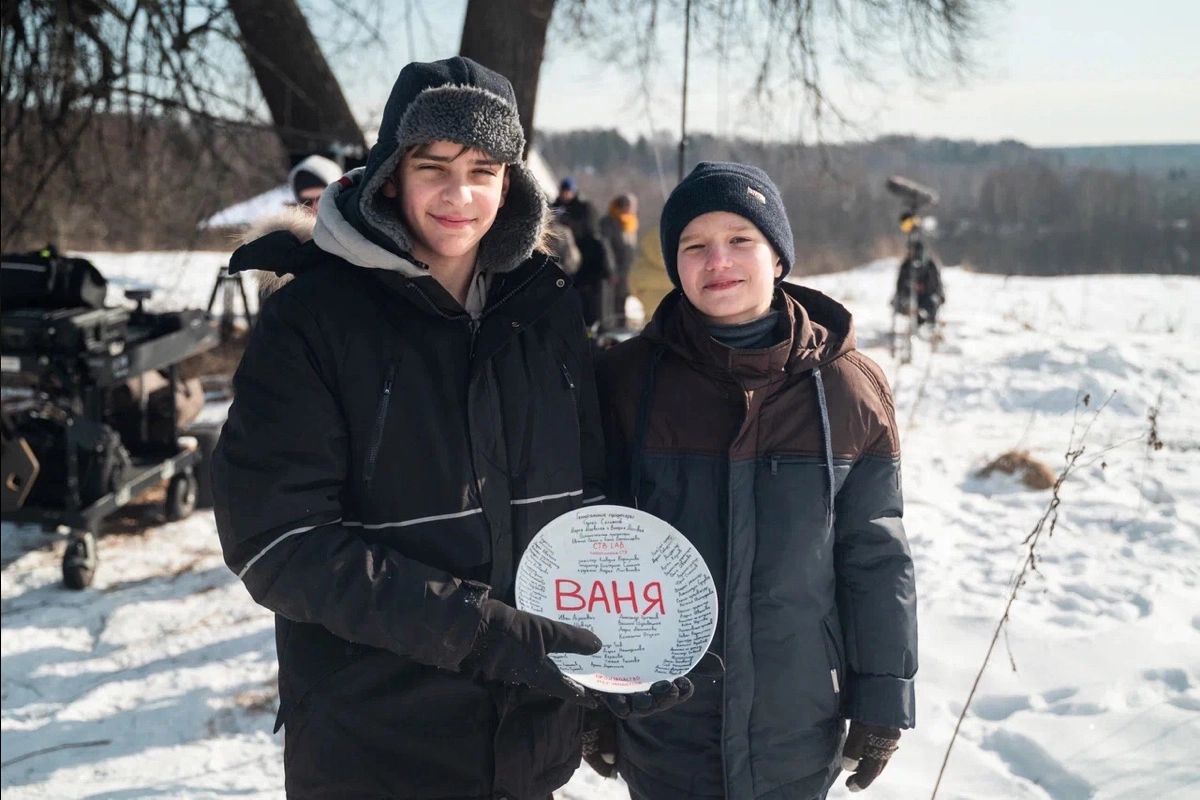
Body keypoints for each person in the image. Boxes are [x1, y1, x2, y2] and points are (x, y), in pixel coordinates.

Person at [212, 56, 686, 800]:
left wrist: (616, 660)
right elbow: (279, 543)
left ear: (511, 180)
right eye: (433, 165)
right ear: (389, 174)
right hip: (373, 745)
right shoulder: (312, 318)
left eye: (484, 168)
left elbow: (586, 504)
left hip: (529, 744)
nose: (460, 194)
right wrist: (485, 634)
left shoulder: (546, 308)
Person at [590, 162, 918, 799]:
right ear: (675, 263)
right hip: (662, 724)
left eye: (741, 239)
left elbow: (875, 555)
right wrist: (587, 698)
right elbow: (588, 557)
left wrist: (882, 694)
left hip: (796, 726)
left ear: (778, 255)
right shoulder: (622, 384)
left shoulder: (849, 388)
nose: (719, 260)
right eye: (694, 244)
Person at [598, 193, 639, 328]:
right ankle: (610, 328)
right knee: (610, 302)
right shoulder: (609, 222)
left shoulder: (630, 223)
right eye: (631, 206)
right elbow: (607, 248)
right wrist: (612, 270)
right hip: (613, 270)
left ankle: (621, 326)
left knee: (623, 299)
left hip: (627, 269)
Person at [892, 240, 944, 327]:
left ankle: (928, 325)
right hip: (908, 296)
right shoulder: (906, 265)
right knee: (906, 304)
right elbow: (900, 284)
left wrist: (934, 292)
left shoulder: (930, 265)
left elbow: (936, 283)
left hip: (926, 296)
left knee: (931, 304)